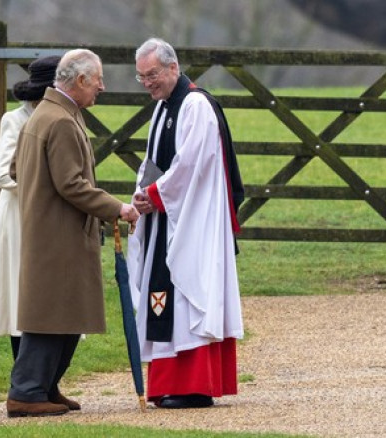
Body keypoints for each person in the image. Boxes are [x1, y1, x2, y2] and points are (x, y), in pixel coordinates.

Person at [6, 49, 140, 417]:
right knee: (51, 315)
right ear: (80, 81)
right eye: (98, 79)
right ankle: (26, 393)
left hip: (47, 229)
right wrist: (119, 208)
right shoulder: (61, 121)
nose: (102, 86)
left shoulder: (44, 115)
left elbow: (18, 169)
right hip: (59, 234)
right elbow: (72, 185)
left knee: (61, 314)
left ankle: (45, 388)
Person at [127, 38, 245, 409]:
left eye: (153, 74)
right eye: (142, 77)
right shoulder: (162, 108)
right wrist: (142, 193)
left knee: (188, 293)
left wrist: (156, 194)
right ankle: (167, 384)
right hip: (167, 214)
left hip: (193, 219)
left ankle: (194, 385)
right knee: (165, 297)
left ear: (173, 68)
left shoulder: (195, 105)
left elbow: (192, 164)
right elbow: (154, 162)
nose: (148, 82)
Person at [0, 56, 61, 360]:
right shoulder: (15, 120)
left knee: (49, 300)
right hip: (18, 220)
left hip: (48, 221)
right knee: (20, 300)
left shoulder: (62, 118)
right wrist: (51, 188)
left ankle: (47, 384)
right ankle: (24, 382)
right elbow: (4, 175)